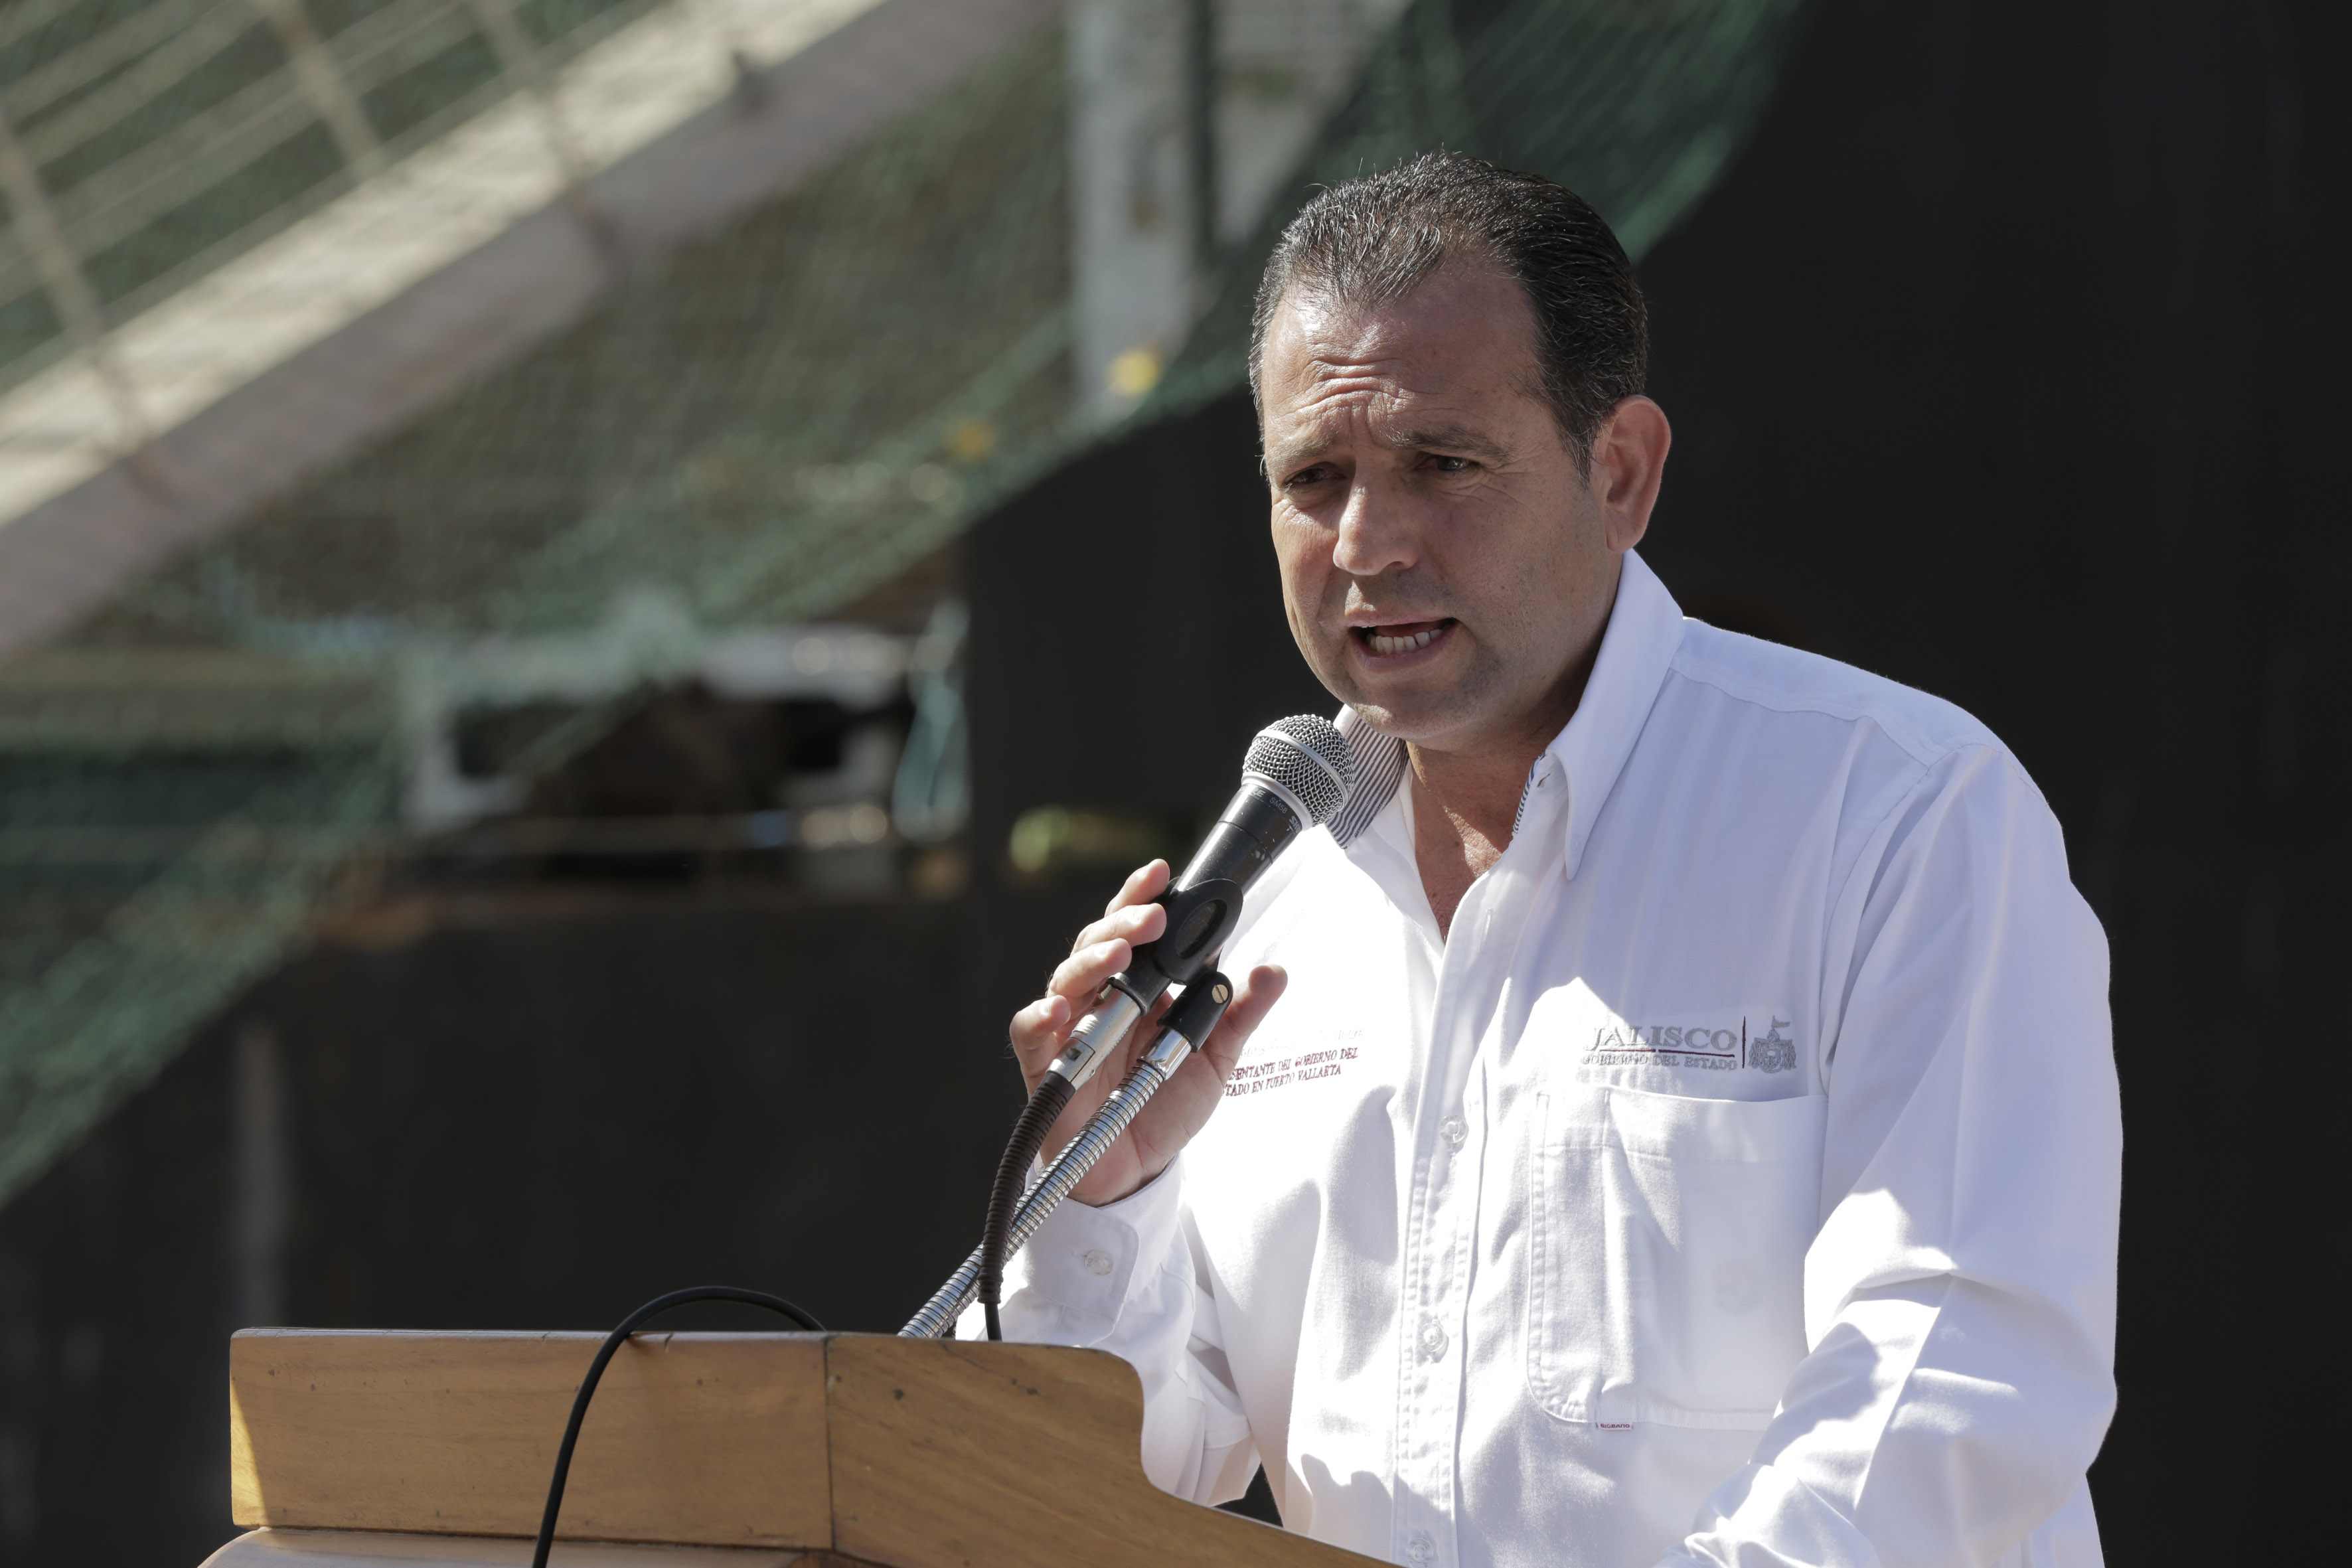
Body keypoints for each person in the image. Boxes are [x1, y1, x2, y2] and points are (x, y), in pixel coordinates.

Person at [970, 152, 2120, 1568]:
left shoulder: (1894, 812)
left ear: (1618, 471)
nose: (1365, 542)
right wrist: (1104, 1192)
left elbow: (1959, 1365)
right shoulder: (1260, 906)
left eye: (1441, 464)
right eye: (1313, 477)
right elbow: (1142, 1467)